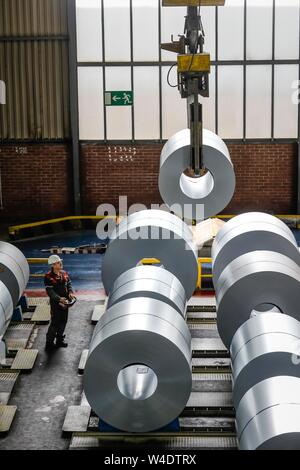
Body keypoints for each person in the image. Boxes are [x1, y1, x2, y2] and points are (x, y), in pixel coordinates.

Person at [44, 255, 75, 351]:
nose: (60, 263)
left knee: (63, 321)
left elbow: (69, 283)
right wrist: (59, 299)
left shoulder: (64, 273)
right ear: (53, 265)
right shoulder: (48, 277)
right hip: (56, 305)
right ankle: (49, 343)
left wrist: (70, 292)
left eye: (60, 262)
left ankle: (59, 341)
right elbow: (50, 292)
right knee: (55, 323)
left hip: (65, 303)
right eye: (58, 262)